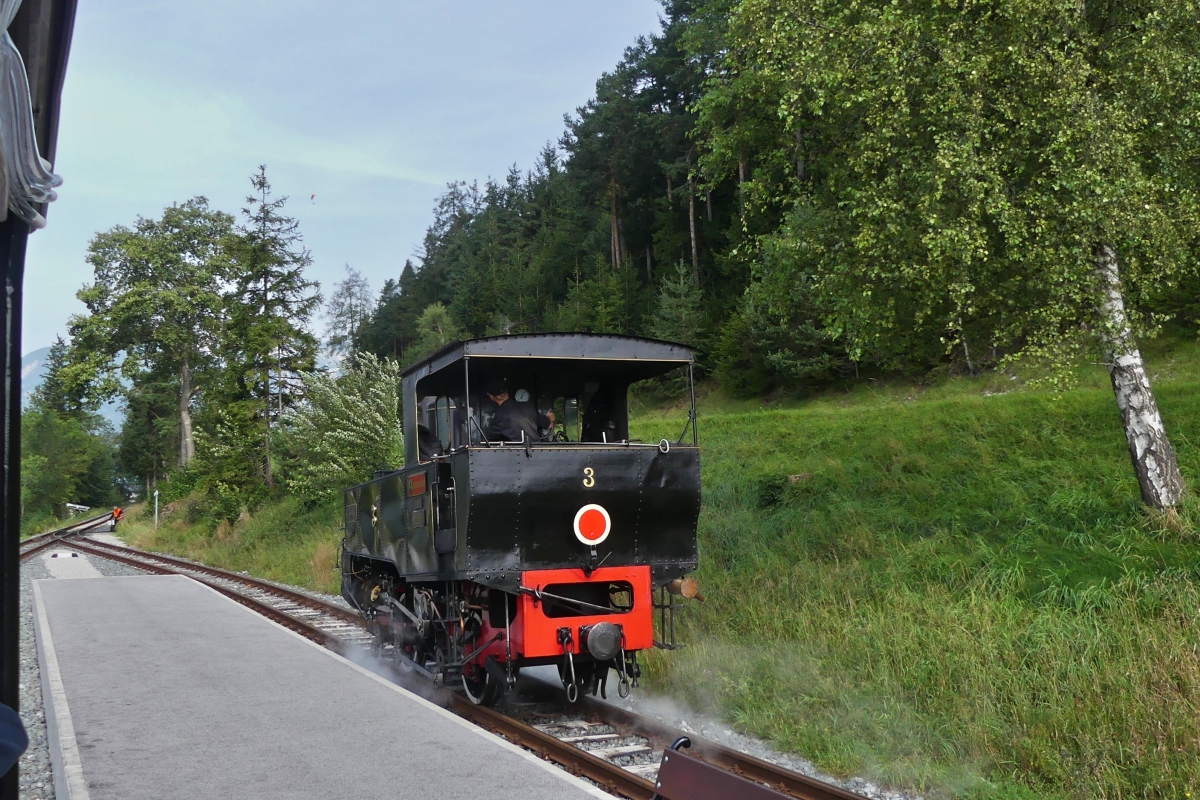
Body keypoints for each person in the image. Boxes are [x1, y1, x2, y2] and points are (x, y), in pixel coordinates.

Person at [484, 378, 555, 442]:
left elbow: (487, 439)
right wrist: (549, 417)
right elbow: (549, 426)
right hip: (536, 451)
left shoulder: (499, 416)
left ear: (491, 396)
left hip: (514, 454)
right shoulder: (529, 407)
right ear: (507, 393)